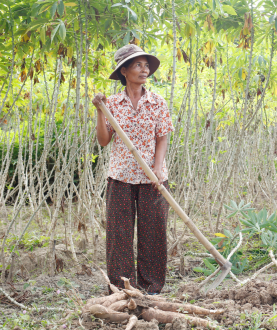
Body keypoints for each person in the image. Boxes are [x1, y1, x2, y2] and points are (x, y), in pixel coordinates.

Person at [92, 44, 174, 294]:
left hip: (152, 179)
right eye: (137, 65)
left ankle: (151, 289)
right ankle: (122, 288)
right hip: (121, 177)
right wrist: (99, 111)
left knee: (154, 234)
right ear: (124, 71)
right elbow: (104, 141)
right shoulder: (113, 103)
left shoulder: (157, 102)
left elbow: (162, 137)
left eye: (146, 65)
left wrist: (158, 169)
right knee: (119, 237)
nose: (144, 69)